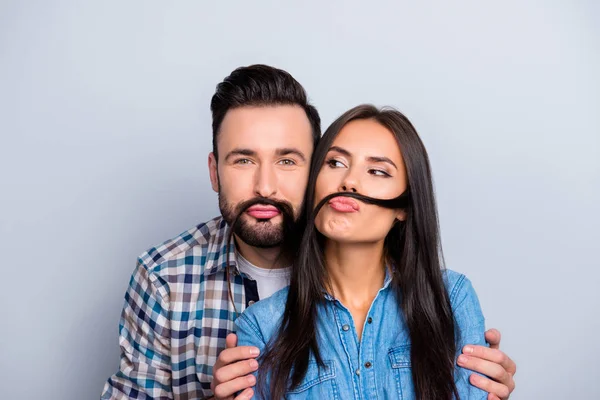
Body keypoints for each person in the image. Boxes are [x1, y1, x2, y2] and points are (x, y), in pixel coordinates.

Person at [102, 65, 516, 400]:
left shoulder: (430, 288)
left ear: (314, 169)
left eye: (288, 161)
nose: (265, 186)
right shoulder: (165, 278)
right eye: (243, 161)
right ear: (214, 171)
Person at [235, 104, 499, 399]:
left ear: (403, 207)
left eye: (377, 171)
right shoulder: (261, 326)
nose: (349, 181)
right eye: (335, 163)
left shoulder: (452, 298)